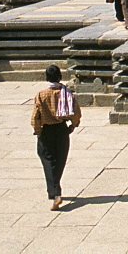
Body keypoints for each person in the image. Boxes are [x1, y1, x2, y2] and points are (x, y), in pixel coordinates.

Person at [31, 64, 81, 211]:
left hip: (46, 130)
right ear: (60, 77)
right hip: (61, 129)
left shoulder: (41, 95)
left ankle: (55, 193)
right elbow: (75, 112)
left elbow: (35, 116)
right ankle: (55, 189)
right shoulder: (66, 93)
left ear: (46, 78)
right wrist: (73, 125)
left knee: (47, 159)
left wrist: (37, 130)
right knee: (59, 160)